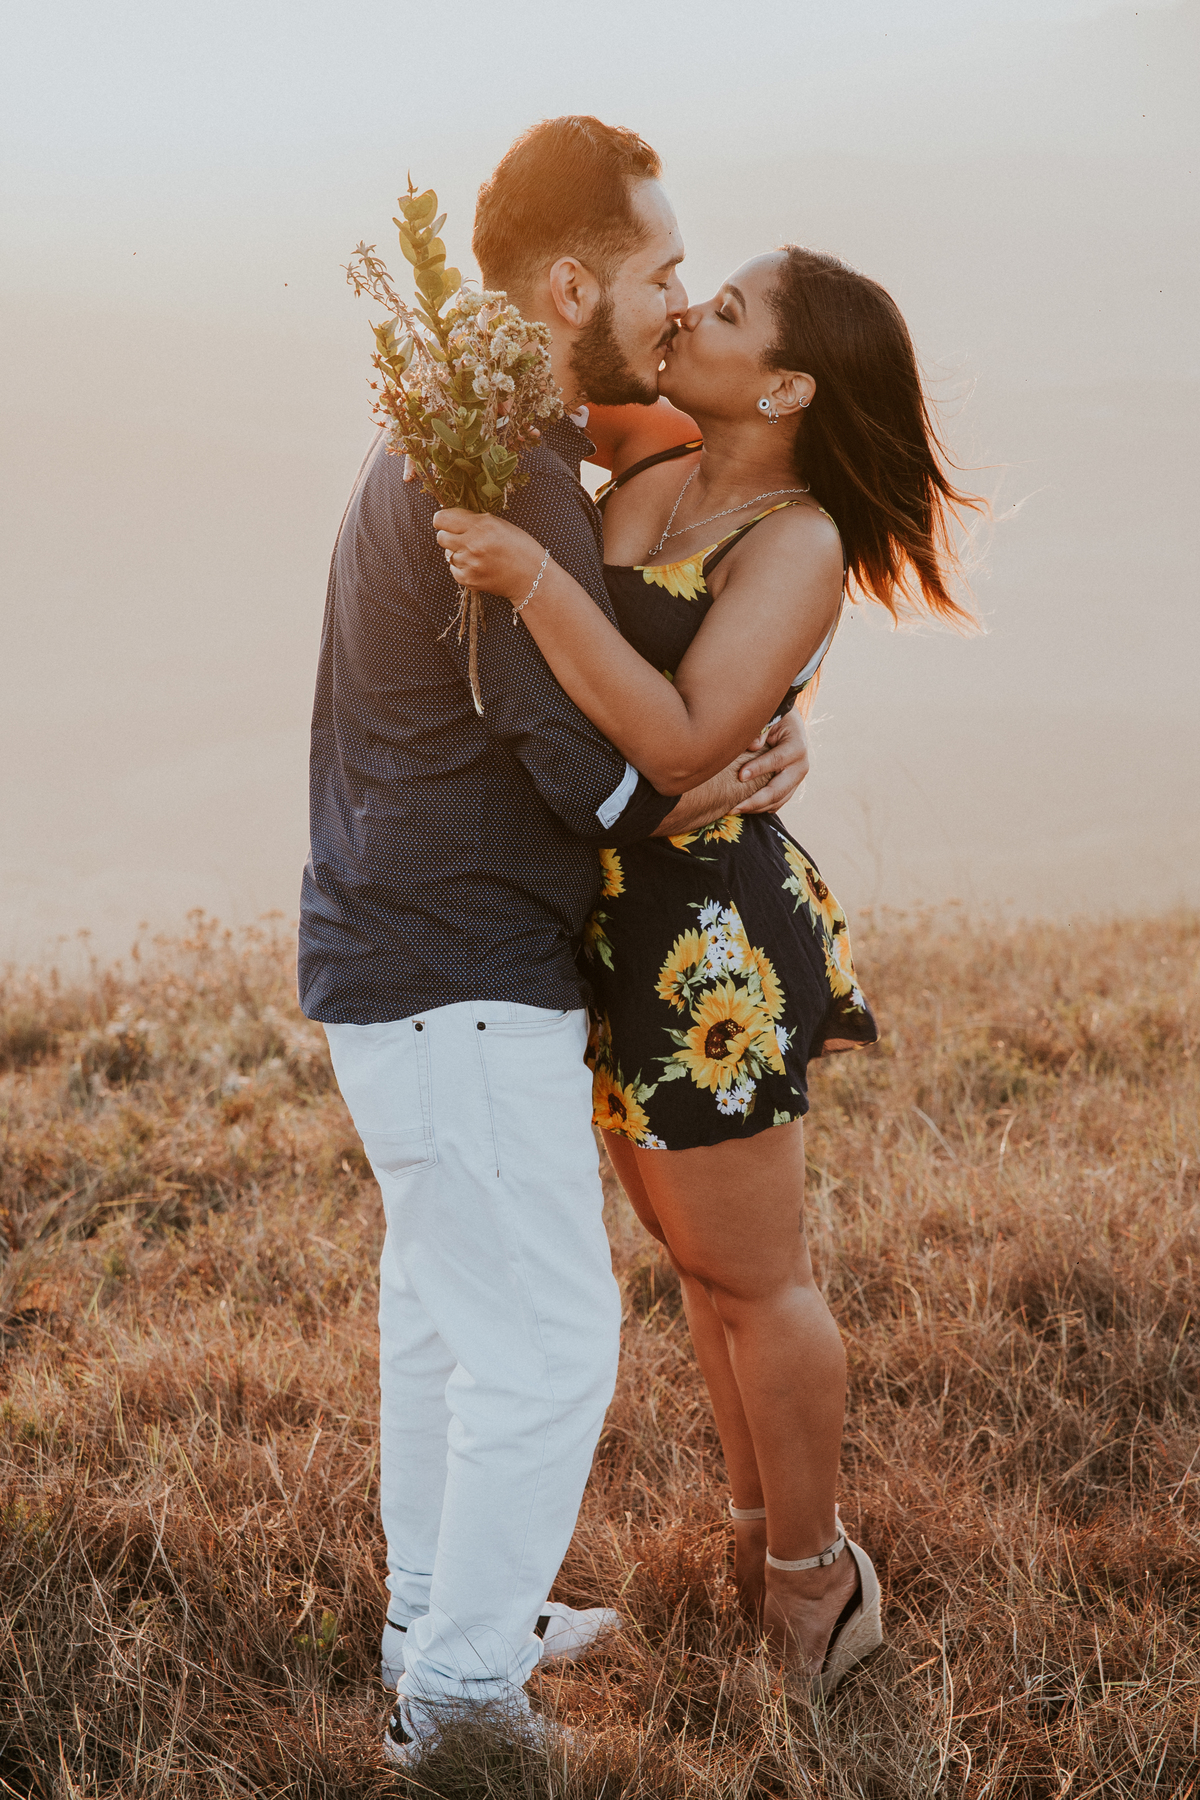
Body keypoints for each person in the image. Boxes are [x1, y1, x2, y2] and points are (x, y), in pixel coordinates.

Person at [296, 117, 811, 1766]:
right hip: (449, 972)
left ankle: (443, 1615)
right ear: (574, 278)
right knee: (547, 1339)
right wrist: (697, 788)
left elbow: (646, 439)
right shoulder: (491, 463)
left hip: (402, 958)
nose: (678, 300)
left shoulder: (482, 429)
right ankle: (453, 1706)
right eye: (662, 271)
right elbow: (551, 741)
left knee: (449, 1322)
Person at [435, 241, 980, 1690]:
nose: (693, 310)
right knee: (696, 1263)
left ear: (789, 383)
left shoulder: (795, 540)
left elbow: (681, 744)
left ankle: (815, 1588)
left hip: (706, 945)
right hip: (600, 915)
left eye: (727, 309)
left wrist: (542, 580)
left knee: (760, 1274)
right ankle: (754, 1537)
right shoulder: (663, 461)